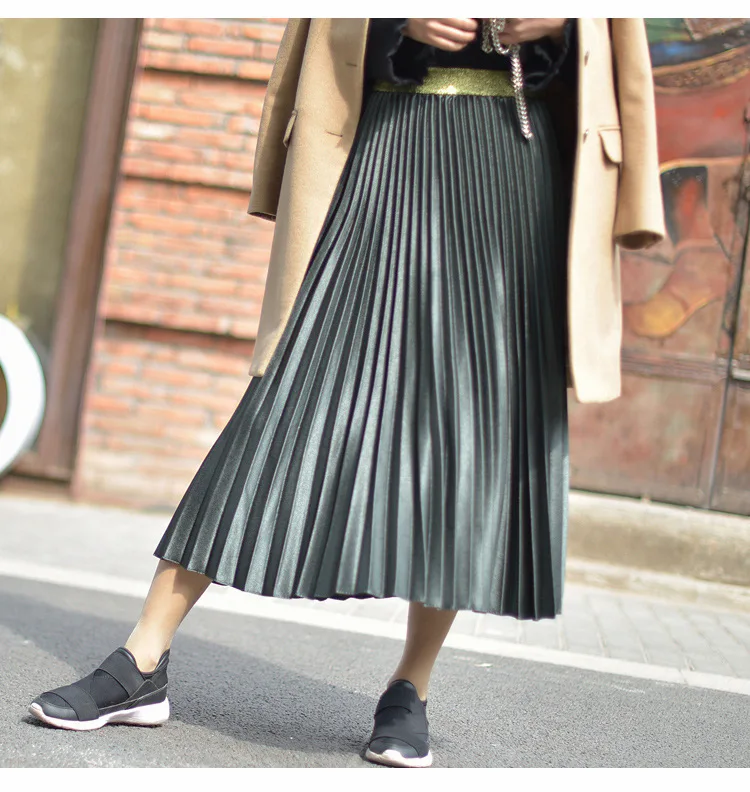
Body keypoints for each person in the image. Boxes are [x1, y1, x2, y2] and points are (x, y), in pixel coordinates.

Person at [28, 18, 665, 768]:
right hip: (387, 144)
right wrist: (398, 17)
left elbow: (613, 35)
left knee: (469, 431)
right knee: (288, 397)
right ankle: (141, 660)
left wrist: (562, 17)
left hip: (514, 158)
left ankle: (410, 688)